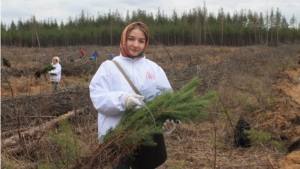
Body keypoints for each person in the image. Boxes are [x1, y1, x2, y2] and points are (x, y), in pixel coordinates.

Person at [89, 22, 177, 169]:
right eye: (131, 39)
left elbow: (168, 101)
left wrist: (170, 122)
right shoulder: (108, 67)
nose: (136, 44)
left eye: (141, 41)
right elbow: (98, 98)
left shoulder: (154, 70)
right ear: (124, 39)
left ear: (146, 43)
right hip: (116, 138)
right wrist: (122, 100)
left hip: (145, 138)